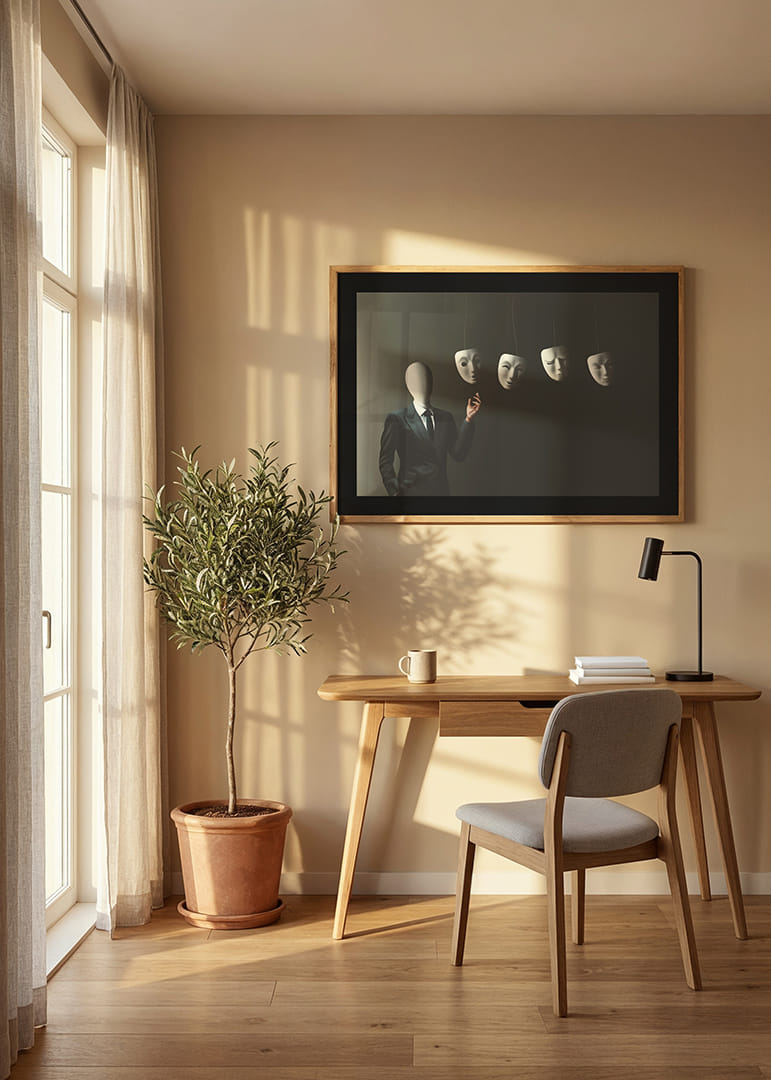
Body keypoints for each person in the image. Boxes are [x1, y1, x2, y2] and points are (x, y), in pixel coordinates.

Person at [379, 361, 481, 497]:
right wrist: (395, 492)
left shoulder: (445, 418)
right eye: (417, 379)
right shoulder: (397, 419)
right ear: (409, 385)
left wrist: (468, 420)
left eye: (427, 378)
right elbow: (385, 461)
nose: (424, 383)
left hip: (440, 496)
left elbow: (458, 454)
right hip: (410, 497)